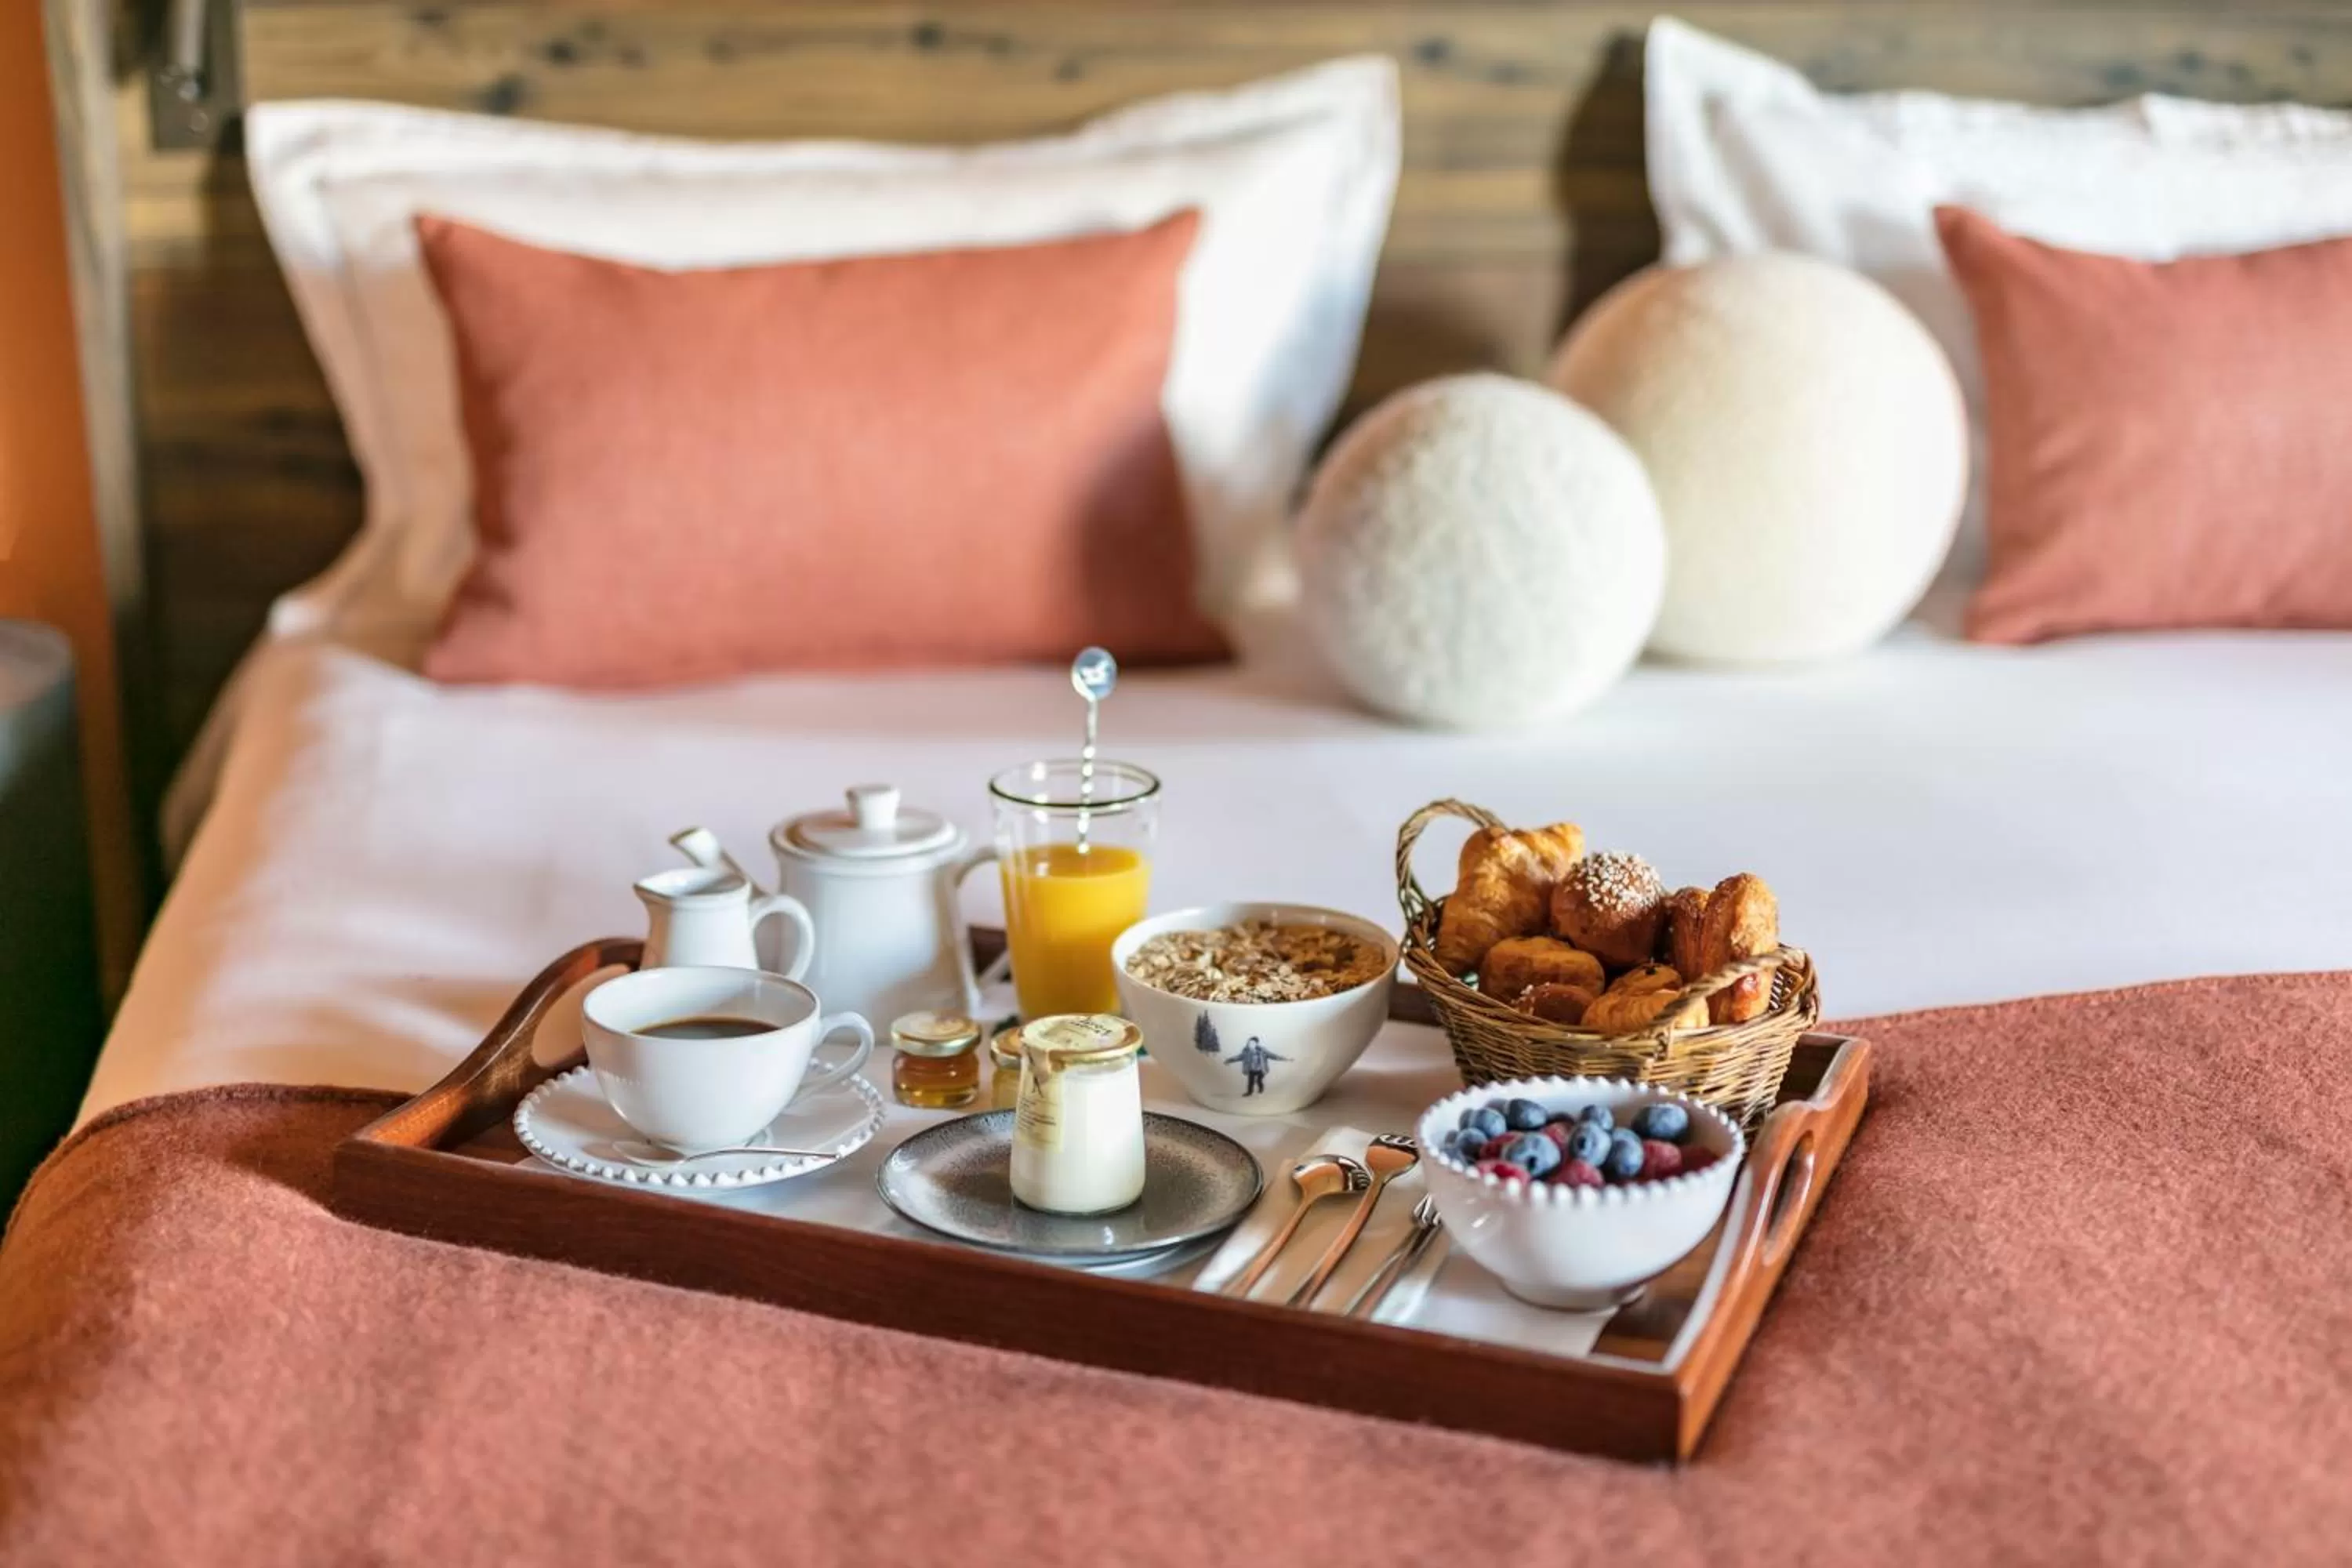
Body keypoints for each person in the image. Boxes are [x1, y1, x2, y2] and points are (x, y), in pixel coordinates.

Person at [1222, 1036, 1290, 1098]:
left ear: (1257, 1044)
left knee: (1259, 1080)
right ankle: (1249, 1092)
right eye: (1249, 1043)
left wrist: (1286, 1059)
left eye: (1253, 1043)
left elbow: (1273, 1056)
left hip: (1261, 1069)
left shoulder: (1263, 1051)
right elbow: (1238, 1057)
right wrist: (1228, 1060)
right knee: (1250, 1082)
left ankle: (1261, 1090)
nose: (1250, 1044)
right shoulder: (1246, 1051)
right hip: (1251, 1069)